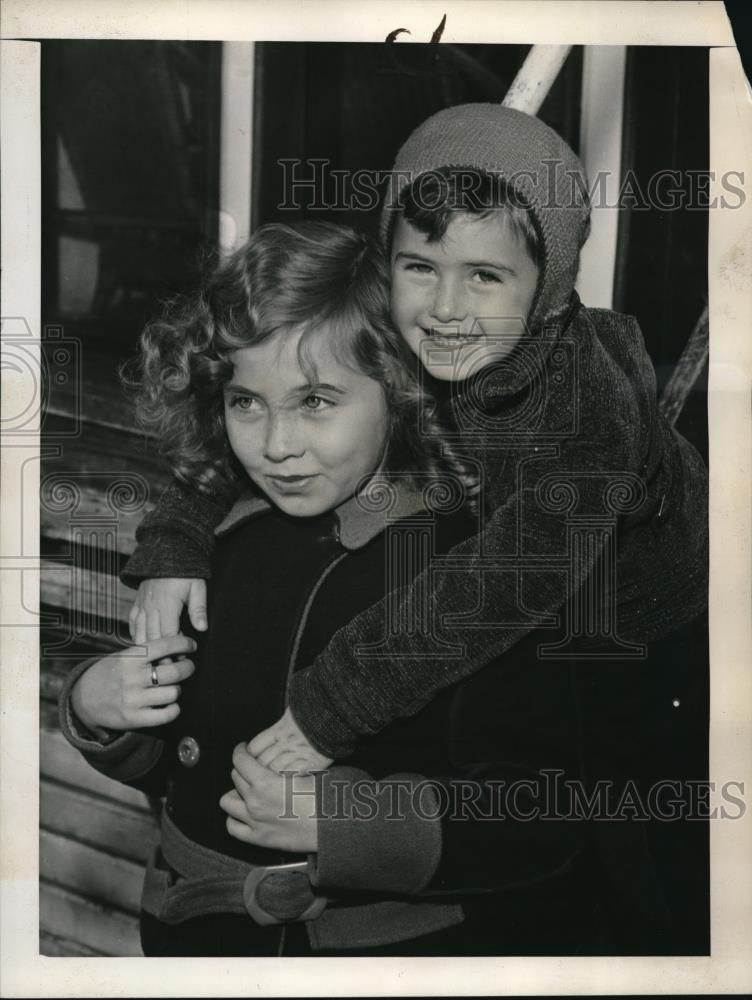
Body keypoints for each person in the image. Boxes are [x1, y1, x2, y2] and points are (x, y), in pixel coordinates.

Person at [119, 105, 710, 951]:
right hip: (525, 582)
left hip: (649, 637)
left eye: (484, 276)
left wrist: (328, 707)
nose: (443, 306)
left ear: (548, 286)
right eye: (419, 265)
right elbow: (235, 432)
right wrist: (176, 541)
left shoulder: (586, 415)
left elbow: (507, 579)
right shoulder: (429, 341)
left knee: (639, 879)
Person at [60, 221, 600, 956]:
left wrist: (342, 826)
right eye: (247, 402)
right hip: (191, 939)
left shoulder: (470, 568)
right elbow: (183, 767)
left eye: (316, 402)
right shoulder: (216, 544)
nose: (277, 445)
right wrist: (98, 710)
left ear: (400, 389)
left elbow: (546, 813)